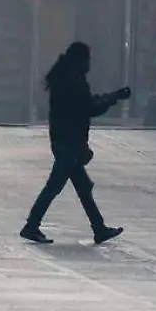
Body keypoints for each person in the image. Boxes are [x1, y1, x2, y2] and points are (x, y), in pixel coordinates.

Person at [20, 41, 130, 245]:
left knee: (83, 188)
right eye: (88, 60)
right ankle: (31, 225)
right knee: (53, 187)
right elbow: (89, 107)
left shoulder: (65, 77)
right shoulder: (74, 81)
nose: (89, 64)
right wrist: (113, 98)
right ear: (81, 60)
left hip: (65, 141)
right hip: (68, 144)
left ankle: (99, 228)